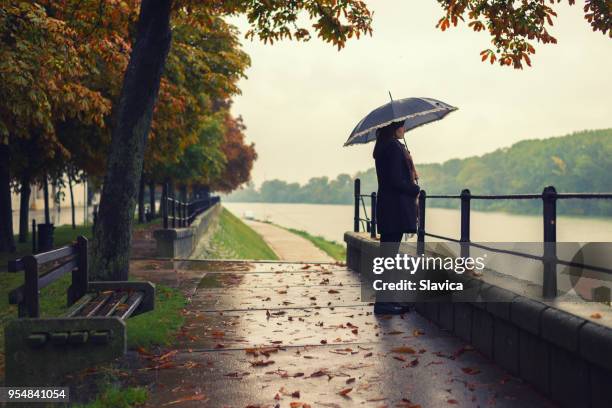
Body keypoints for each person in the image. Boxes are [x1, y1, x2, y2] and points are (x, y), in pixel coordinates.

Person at [372, 121, 420, 314]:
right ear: (393, 128)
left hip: (388, 208)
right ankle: (383, 304)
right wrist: (414, 188)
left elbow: (393, 177)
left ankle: (386, 301)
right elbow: (395, 180)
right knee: (389, 258)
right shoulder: (392, 147)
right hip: (394, 209)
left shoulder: (384, 147)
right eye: (401, 126)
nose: (404, 129)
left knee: (388, 257)